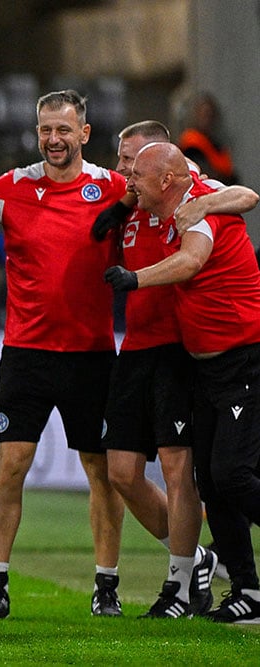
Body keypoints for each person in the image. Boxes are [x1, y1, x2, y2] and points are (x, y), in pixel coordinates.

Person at [0, 90, 129, 619]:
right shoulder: (11, 188)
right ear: (37, 133)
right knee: (11, 464)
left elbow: (166, 205)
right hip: (27, 354)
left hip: (92, 354)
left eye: (64, 130)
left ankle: (106, 585)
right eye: (46, 131)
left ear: (84, 133)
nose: (54, 140)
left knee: (100, 470)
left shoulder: (114, 189)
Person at [93, 120, 257, 618]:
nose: (127, 179)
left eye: (135, 169)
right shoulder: (156, 203)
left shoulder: (200, 209)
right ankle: (248, 592)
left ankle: (189, 583)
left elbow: (191, 260)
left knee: (227, 475)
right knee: (208, 479)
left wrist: (135, 278)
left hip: (240, 357)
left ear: (166, 176)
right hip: (200, 363)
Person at [177, 92, 237, 184]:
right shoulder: (191, 141)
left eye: (210, 115)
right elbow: (204, 173)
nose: (207, 119)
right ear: (195, 115)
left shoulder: (215, 142)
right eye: (203, 115)